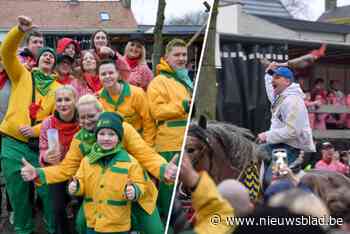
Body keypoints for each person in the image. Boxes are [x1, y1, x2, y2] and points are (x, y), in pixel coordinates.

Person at [20, 94, 175, 233]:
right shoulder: (80, 139)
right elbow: (66, 169)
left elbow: (145, 154)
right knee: (81, 224)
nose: (87, 121)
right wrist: (38, 172)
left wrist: (163, 168)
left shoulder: (122, 129)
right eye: (82, 117)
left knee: (155, 230)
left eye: (91, 116)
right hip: (101, 196)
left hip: (134, 188)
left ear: (101, 113)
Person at [0, 15, 61, 234]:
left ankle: (53, 229)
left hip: (43, 146)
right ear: (38, 58)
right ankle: (23, 229)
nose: (47, 57)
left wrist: (36, 129)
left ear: (54, 62)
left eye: (51, 56)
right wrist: (19, 31)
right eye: (44, 54)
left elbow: (59, 117)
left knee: (48, 195)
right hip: (13, 144)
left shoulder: (59, 89)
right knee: (18, 196)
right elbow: (6, 52)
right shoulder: (21, 75)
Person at [68, 112, 153, 234]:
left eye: (111, 134)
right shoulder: (87, 161)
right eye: (102, 134)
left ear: (119, 138)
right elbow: (80, 181)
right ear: (96, 137)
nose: (106, 138)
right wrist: (76, 187)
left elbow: (140, 183)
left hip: (118, 225)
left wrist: (134, 190)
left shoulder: (130, 162)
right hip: (93, 222)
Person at [147, 38, 192, 219]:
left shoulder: (185, 79)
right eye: (177, 55)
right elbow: (156, 111)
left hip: (188, 143)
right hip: (168, 146)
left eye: (184, 55)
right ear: (167, 57)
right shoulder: (158, 82)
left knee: (187, 195)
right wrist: (183, 105)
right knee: (169, 198)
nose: (181, 58)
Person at [257, 62, 315, 185]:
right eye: (273, 77)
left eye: (277, 77)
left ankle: (281, 201)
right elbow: (270, 88)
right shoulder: (281, 97)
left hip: (289, 148)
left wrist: (267, 135)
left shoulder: (293, 101)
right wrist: (269, 72)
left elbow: (292, 132)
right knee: (252, 155)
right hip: (278, 144)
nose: (273, 80)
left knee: (272, 179)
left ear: (287, 82)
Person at [39, 85, 80, 234]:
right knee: (57, 209)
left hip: (80, 170)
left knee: (82, 208)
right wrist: (46, 156)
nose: (63, 104)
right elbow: (42, 150)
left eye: (67, 99)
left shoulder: (83, 121)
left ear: (75, 101)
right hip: (57, 170)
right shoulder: (47, 124)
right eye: (59, 100)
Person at [97, 59, 156, 146]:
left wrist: (148, 146)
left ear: (117, 74)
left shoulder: (137, 93)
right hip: (112, 145)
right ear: (99, 76)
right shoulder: (98, 98)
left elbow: (148, 122)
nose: (107, 76)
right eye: (103, 74)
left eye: (111, 73)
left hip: (138, 142)